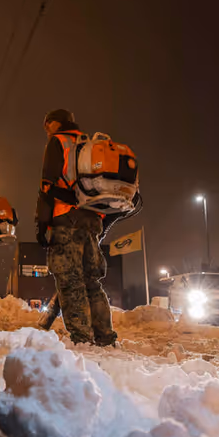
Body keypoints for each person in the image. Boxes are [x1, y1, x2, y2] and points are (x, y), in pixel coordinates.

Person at [35, 109, 130, 346]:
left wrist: (42, 224)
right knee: (91, 282)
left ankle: (82, 339)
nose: (46, 131)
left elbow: (47, 186)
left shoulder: (59, 142)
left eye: (47, 126)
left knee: (70, 282)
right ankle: (105, 337)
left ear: (55, 123)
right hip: (92, 219)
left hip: (66, 218)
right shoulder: (90, 143)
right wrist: (100, 224)